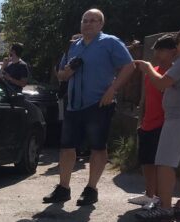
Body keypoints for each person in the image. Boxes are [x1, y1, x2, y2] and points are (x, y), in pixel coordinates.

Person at [43, 8, 135, 206]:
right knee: (67, 147)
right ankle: (63, 188)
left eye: (93, 20)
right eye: (85, 20)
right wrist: (66, 72)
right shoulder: (73, 46)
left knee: (97, 147)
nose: (88, 23)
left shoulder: (110, 42)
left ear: (101, 24)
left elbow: (130, 66)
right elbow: (61, 75)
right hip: (74, 105)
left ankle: (91, 189)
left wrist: (112, 90)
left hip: (99, 103)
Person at [134, 25, 180, 222]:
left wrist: (148, 68)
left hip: (178, 118)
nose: (177, 46)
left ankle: (165, 208)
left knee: (165, 163)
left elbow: (162, 84)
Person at [128, 35, 178, 208]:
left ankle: (159, 198)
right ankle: (149, 195)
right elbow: (145, 98)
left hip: (164, 124)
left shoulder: (173, 73)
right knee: (146, 161)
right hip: (148, 123)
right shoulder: (152, 71)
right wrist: (141, 120)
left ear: (173, 52)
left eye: (161, 50)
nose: (156, 54)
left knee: (160, 163)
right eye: (156, 50)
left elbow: (163, 88)